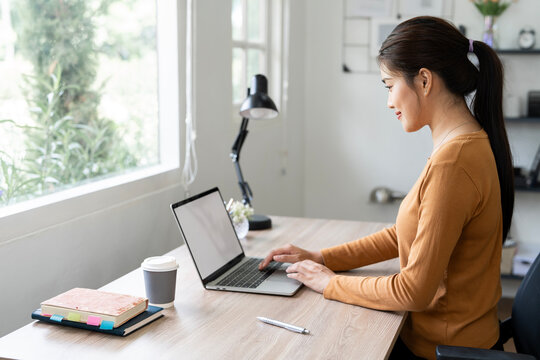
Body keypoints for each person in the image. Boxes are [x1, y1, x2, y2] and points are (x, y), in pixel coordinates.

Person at [259, 16, 514, 360]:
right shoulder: (463, 145)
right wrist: (322, 259)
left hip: (444, 351)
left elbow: (412, 291)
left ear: (424, 80)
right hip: (450, 340)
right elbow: (402, 235)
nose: (389, 101)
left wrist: (329, 283)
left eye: (389, 85)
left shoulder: (454, 162)